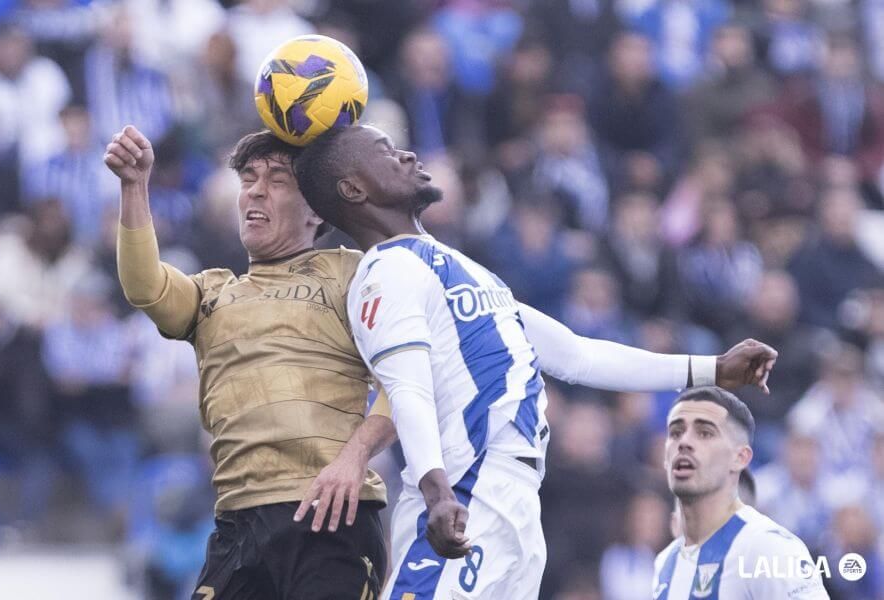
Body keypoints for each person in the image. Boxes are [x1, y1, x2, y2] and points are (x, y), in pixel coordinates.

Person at [292, 124, 778, 599]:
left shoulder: (456, 266)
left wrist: (713, 369)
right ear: (353, 188)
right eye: (385, 152)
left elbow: (577, 355)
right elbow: (407, 389)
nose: (407, 155)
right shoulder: (384, 273)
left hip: (517, 504)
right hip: (465, 491)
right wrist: (436, 490)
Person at [104, 125, 395, 599]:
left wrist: (355, 457)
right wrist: (134, 187)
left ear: (317, 208)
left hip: (334, 517)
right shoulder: (211, 294)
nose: (256, 191)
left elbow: (406, 378)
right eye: (248, 179)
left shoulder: (354, 273)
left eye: (278, 180)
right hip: (239, 523)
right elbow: (145, 287)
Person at [654, 386, 829, 599]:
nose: (684, 443)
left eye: (705, 433)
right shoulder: (665, 562)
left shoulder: (769, 547)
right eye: (676, 432)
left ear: (740, 458)